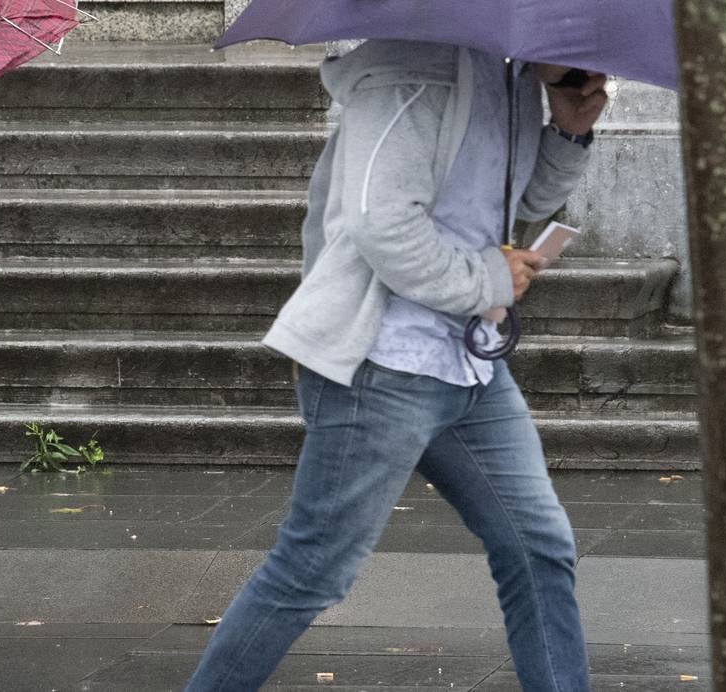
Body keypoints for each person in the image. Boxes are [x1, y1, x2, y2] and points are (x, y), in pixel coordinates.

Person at [183, 41, 609, 691]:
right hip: (382, 365)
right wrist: (487, 276)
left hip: (469, 365)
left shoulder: (512, 76)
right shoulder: (411, 72)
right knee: (313, 571)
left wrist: (569, 131)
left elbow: (519, 204)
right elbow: (383, 228)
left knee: (538, 548)